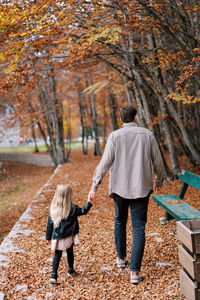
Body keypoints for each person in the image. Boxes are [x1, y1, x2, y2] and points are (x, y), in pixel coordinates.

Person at [88, 106, 164, 284]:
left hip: (119, 189)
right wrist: (159, 181)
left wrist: (94, 186)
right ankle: (135, 273)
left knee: (120, 221)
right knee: (139, 228)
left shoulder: (114, 136)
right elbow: (158, 162)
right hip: (141, 188)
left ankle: (121, 258)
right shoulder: (147, 135)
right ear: (135, 117)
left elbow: (104, 163)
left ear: (121, 119)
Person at [46, 183, 92, 284]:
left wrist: (48, 237)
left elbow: (50, 224)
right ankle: (71, 270)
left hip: (57, 236)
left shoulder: (53, 208)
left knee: (57, 255)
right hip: (69, 236)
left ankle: (54, 275)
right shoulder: (72, 208)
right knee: (70, 252)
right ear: (69, 195)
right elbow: (83, 211)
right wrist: (89, 201)